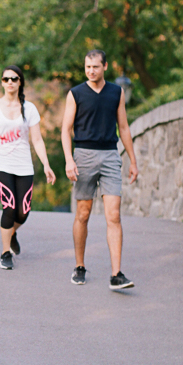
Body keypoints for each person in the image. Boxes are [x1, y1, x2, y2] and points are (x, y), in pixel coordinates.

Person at [61, 49, 139, 289]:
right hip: (83, 155)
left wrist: (133, 161)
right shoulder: (76, 93)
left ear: (105, 66)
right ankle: (80, 266)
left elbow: (123, 127)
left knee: (113, 215)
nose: (91, 71)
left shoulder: (116, 92)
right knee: (83, 214)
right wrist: (69, 160)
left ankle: (116, 274)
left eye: (95, 66)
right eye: (87, 67)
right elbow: (65, 129)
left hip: (110, 156)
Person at [0, 65, 56, 270]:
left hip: (23, 165)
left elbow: (37, 139)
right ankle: (5, 252)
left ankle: (12, 232)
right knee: (9, 206)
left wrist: (46, 165)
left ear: (20, 82)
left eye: (14, 79)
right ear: (1, 82)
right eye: (6, 79)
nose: (10, 82)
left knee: (23, 211)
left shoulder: (30, 109)